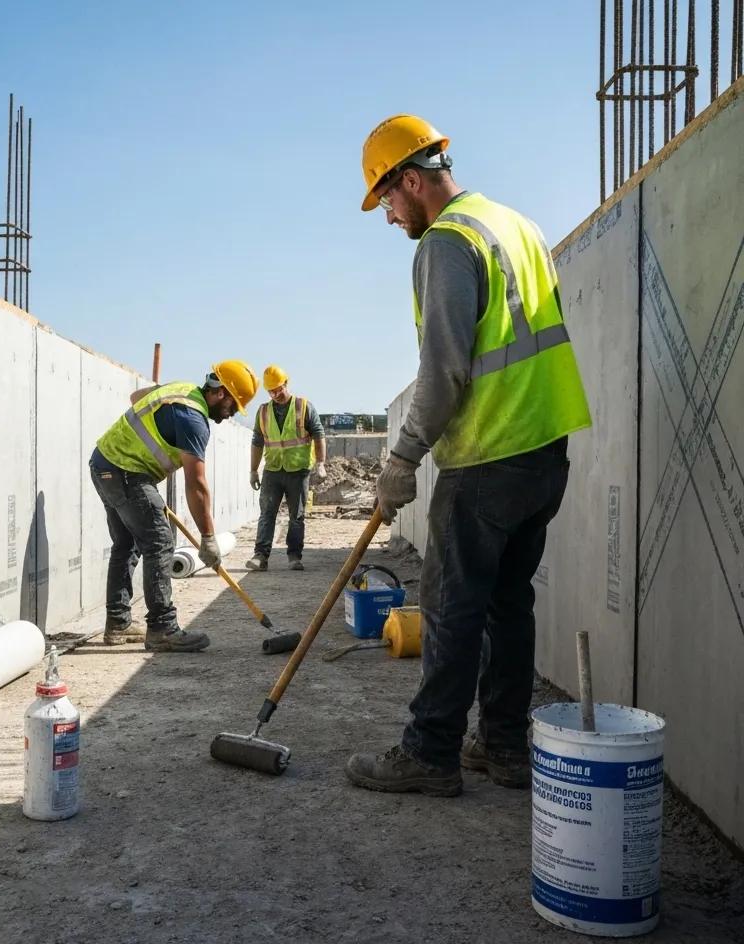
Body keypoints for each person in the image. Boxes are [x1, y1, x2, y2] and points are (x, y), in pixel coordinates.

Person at [345, 114, 592, 796]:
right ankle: (506, 748)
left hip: (487, 453)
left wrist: (401, 459)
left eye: (387, 200)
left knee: (452, 606)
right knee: (509, 605)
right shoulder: (516, 226)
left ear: (413, 181)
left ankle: (430, 753)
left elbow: (444, 368)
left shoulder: (447, 243)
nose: (389, 216)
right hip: (545, 451)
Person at [89, 360, 259, 652]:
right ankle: (162, 628)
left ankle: (118, 623)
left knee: (126, 544)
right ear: (221, 394)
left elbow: (136, 398)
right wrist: (208, 538)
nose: (231, 413)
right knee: (159, 541)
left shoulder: (180, 390)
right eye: (233, 405)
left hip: (104, 462)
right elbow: (196, 485)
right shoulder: (194, 420)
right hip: (128, 472)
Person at [244, 366, 327, 571]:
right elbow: (257, 441)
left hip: (298, 471)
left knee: (296, 516)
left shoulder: (303, 406)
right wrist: (253, 470)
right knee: (267, 514)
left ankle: (294, 556)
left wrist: (321, 463)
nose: (276, 394)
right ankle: (260, 556)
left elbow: (318, 434)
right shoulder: (263, 411)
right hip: (272, 470)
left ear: (286, 384)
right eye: (271, 391)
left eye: (279, 389)